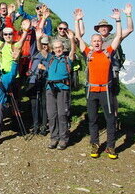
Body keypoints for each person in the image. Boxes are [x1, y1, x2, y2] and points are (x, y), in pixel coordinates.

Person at [75, 8, 123, 159]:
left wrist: (118, 20)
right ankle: (95, 145)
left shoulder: (108, 52)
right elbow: (77, 37)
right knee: (93, 119)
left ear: (102, 42)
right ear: (92, 42)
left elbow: (119, 36)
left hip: (105, 91)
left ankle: (110, 147)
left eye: (99, 41)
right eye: (94, 41)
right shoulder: (88, 53)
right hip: (91, 91)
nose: (96, 43)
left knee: (110, 119)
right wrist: (77, 20)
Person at [45, 32, 76, 150]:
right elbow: (39, 48)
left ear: (63, 48)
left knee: (62, 114)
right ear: (53, 49)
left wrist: (72, 39)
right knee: (51, 114)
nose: (58, 49)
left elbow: (73, 50)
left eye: (60, 47)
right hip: (50, 88)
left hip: (63, 88)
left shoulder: (67, 59)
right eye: (56, 47)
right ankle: (54, 138)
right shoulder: (50, 59)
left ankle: (63, 139)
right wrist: (38, 38)